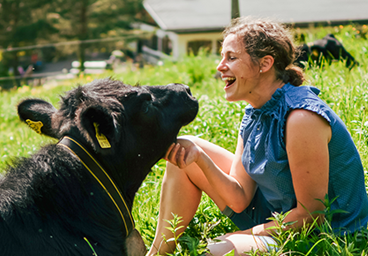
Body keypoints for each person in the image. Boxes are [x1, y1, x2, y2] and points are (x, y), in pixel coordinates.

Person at [147, 17, 368, 256]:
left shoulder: (301, 118)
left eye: (231, 57)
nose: (220, 67)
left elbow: (311, 215)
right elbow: (239, 198)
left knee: (215, 252)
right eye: (222, 57)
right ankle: (158, 253)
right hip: (278, 214)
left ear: (265, 64)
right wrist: (200, 159)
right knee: (185, 150)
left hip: (324, 234)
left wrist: (241, 236)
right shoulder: (255, 110)